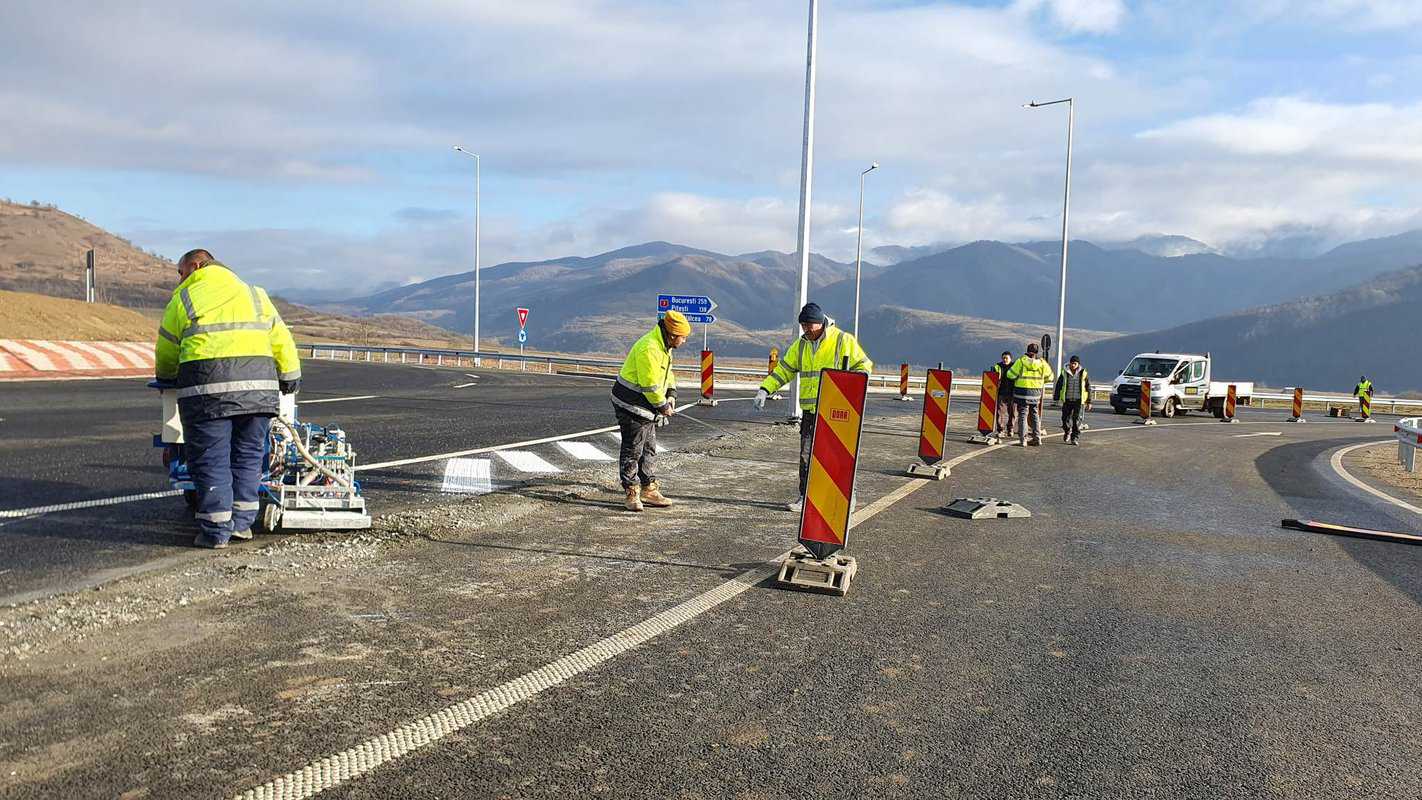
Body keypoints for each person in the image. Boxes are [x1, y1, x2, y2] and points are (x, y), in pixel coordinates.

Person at [155, 249, 301, 548]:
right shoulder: (255, 294)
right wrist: (289, 375)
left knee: (211, 459)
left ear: (196, 266)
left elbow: (167, 346)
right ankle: (242, 525)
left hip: (208, 392)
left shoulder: (185, 298)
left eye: (181, 272)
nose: (179, 279)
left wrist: (167, 377)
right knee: (248, 456)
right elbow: (282, 338)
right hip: (259, 393)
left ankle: (215, 531)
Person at [753, 302, 872, 511]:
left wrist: (851, 390)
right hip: (810, 412)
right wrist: (765, 389)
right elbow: (784, 370)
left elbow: (864, 366)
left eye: (810, 325)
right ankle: (805, 497)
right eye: (803, 326)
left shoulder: (842, 340)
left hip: (837, 412)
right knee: (806, 456)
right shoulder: (800, 346)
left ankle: (847, 496)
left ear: (821, 323)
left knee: (838, 456)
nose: (806, 329)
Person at [611, 311, 689, 511]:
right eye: (683, 336)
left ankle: (649, 488)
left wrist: (671, 394)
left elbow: (666, 374)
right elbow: (650, 385)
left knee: (649, 447)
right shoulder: (649, 348)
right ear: (672, 334)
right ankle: (631, 491)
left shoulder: (664, 346)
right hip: (630, 404)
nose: (685, 340)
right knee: (633, 448)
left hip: (646, 407)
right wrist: (663, 406)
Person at [1005, 342, 1054, 447]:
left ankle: (1023, 440)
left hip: (1022, 392)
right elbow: (1050, 377)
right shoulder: (1042, 363)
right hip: (1036, 392)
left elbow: (1010, 375)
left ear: (1027, 351)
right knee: (1035, 414)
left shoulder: (1021, 361)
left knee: (1023, 414)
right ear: (1037, 352)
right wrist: (1041, 380)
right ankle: (1037, 438)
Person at [1053, 355, 1091, 445]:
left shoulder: (1083, 373)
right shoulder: (1064, 373)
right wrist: (1056, 397)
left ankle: (1074, 438)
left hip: (1079, 400)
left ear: (1078, 364)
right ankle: (1067, 431)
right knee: (1064, 419)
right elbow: (1059, 385)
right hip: (1067, 399)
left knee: (1076, 420)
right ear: (1069, 363)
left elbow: (1088, 387)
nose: (1073, 365)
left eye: (1075, 363)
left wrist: (1089, 401)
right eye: (1072, 363)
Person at [992, 350, 1016, 439]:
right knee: (1000, 413)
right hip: (1001, 392)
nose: (1004, 360)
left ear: (1010, 358)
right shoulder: (998, 366)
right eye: (1003, 358)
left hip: (1012, 393)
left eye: (1006, 358)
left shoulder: (1015, 367)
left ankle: (1010, 429)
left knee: (1013, 413)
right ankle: (1000, 430)